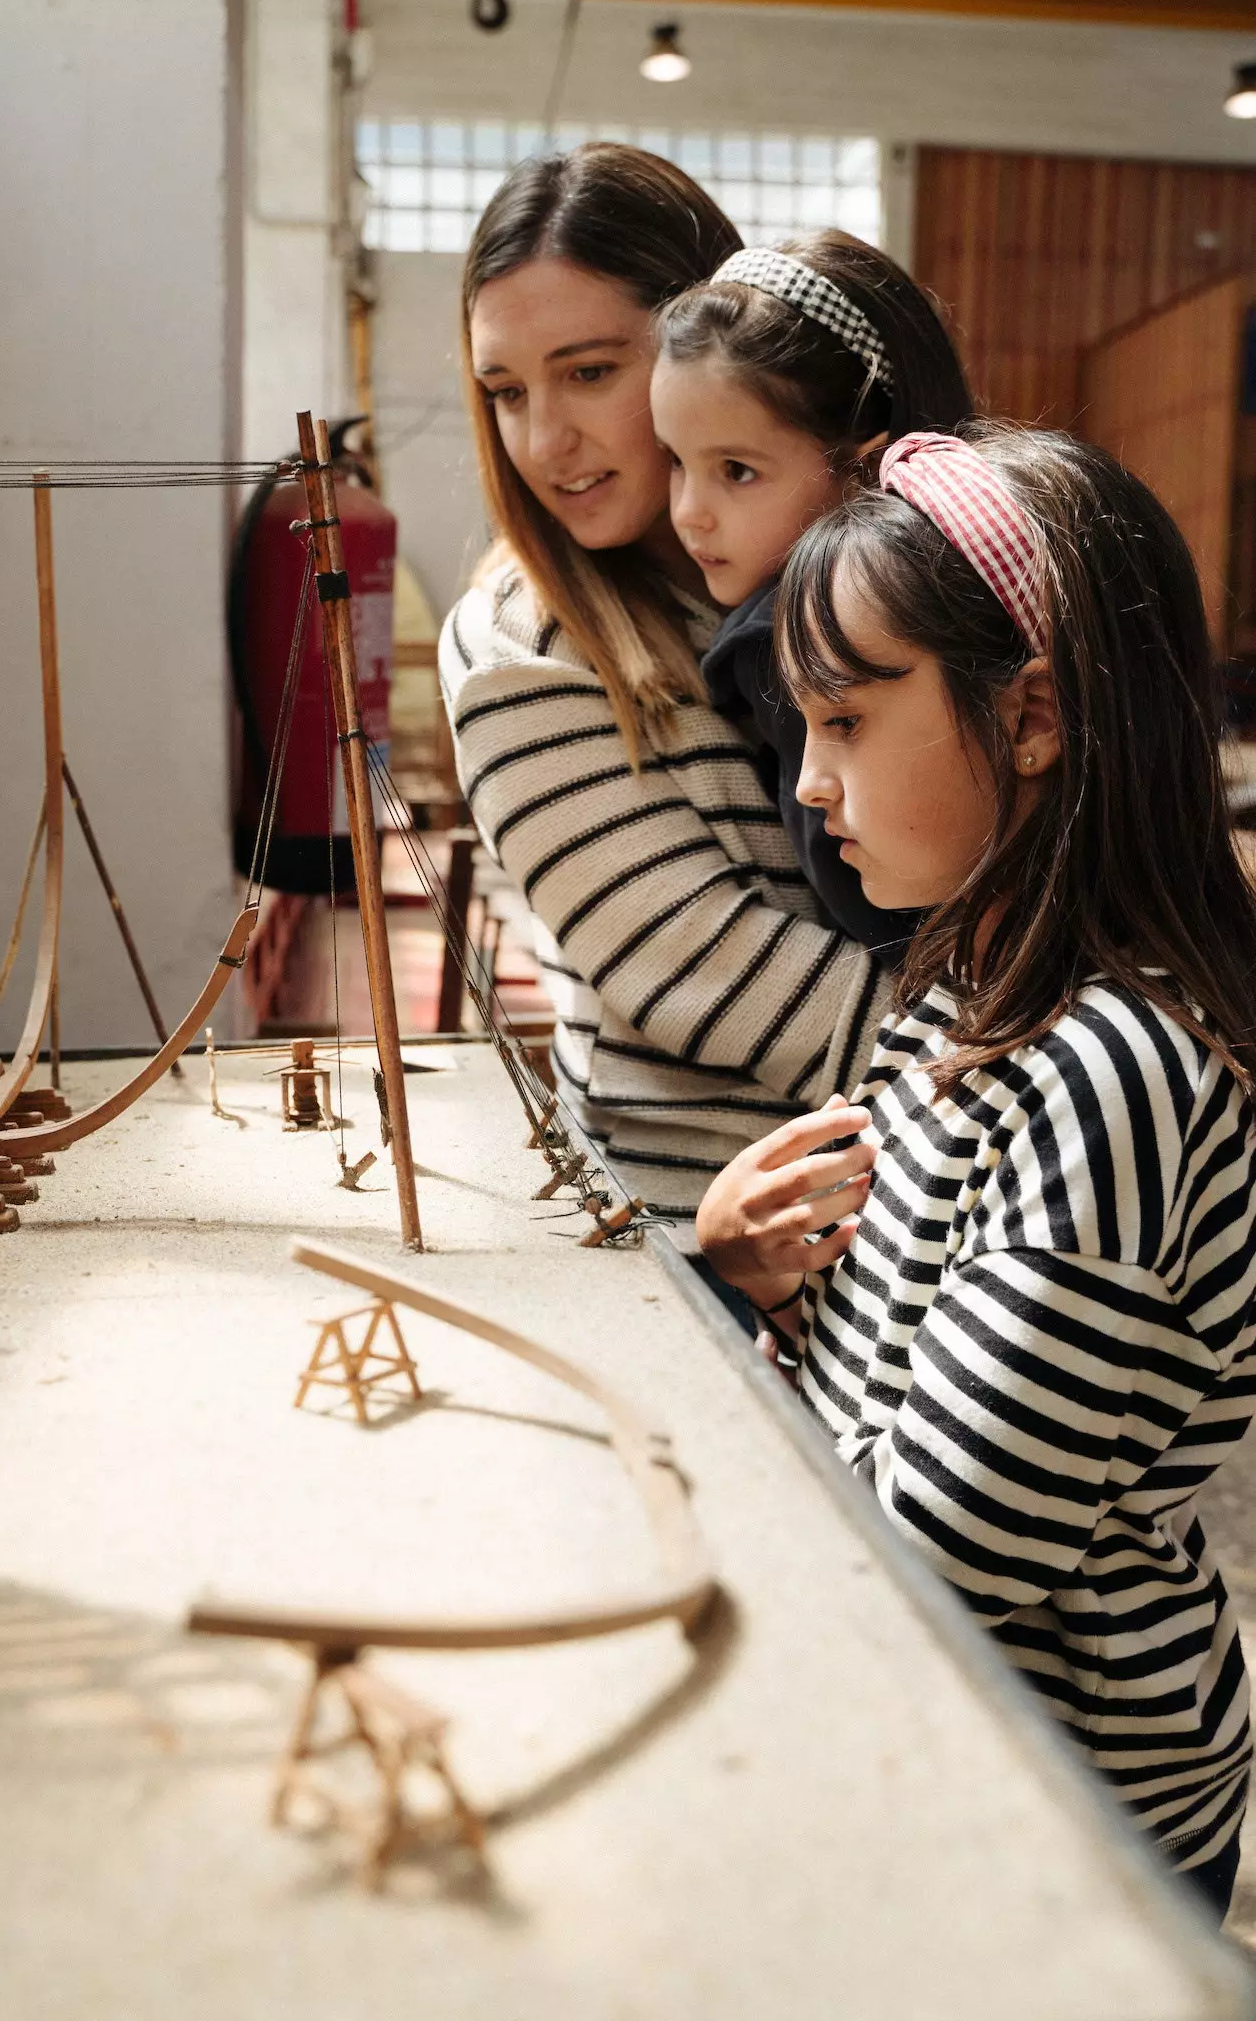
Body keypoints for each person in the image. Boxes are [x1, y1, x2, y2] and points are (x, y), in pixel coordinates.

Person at [696, 424, 1256, 1917]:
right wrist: (740, 1278)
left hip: (1056, 1804)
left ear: (1030, 721)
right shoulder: (958, 991)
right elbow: (842, 1370)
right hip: (923, 1738)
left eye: (846, 723)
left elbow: (936, 1549)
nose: (806, 786)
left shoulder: (1112, 1076)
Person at [443, 145, 890, 1227]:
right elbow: (708, 975)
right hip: (711, 1238)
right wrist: (1051, 1076)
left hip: (926, 1195)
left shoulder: (836, 577)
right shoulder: (518, 644)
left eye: (590, 372)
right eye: (506, 392)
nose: (545, 442)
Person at [652, 232, 972, 962]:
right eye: (674, 461)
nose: (687, 512)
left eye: (735, 470)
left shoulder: (786, 642)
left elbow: (880, 921)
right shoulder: (974, 586)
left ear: (860, 473)